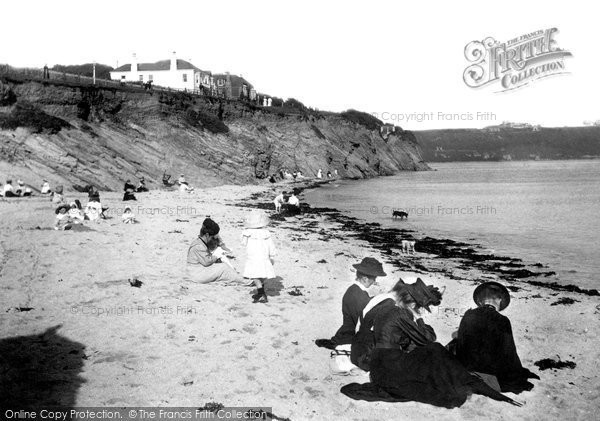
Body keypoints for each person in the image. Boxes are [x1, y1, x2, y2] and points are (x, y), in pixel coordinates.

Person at [341, 279, 521, 408]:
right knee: (434, 351)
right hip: (388, 366)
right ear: (412, 302)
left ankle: (460, 377)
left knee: (430, 355)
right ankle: (464, 379)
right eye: (418, 305)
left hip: (379, 363)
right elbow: (428, 338)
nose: (420, 309)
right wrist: (419, 319)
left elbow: (409, 338)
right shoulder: (401, 314)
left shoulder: (389, 310)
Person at [453, 281, 540, 394]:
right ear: (499, 300)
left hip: (466, 367)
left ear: (481, 301)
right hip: (489, 371)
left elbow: (461, 344)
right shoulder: (502, 320)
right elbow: (509, 352)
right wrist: (517, 372)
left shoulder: (468, 314)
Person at [316, 257, 386, 350]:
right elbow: (365, 315)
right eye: (374, 278)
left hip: (347, 329)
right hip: (352, 336)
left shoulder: (353, 289)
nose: (374, 282)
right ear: (365, 279)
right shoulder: (359, 295)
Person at [186, 218, 242, 284]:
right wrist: (215, 257)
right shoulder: (199, 246)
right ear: (207, 235)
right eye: (212, 237)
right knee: (223, 267)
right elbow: (207, 262)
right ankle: (244, 281)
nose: (214, 239)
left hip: (197, 271)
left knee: (222, 266)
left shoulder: (200, 241)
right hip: (196, 274)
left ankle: (237, 278)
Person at [241, 210, 277, 303]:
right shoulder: (266, 232)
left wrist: (244, 236)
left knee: (254, 275)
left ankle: (261, 293)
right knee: (262, 273)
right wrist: (272, 255)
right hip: (264, 256)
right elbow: (271, 245)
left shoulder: (247, 232)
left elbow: (243, 243)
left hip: (253, 256)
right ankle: (261, 290)